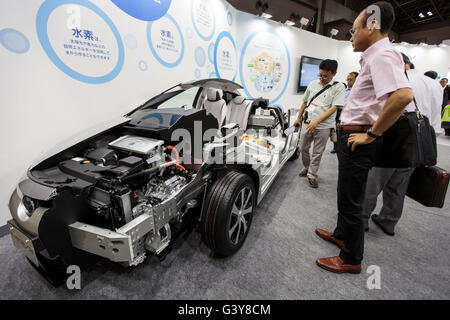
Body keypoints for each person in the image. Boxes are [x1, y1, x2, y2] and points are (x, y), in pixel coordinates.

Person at [314, 1, 414, 274]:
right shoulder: (375, 56)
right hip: (352, 135)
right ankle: (342, 234)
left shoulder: (383, 55)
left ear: (372, 25)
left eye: (354, 29)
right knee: (346, 195)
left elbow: (403, 96)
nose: (352, 35)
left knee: (353, 200)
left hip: (360, 137)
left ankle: (351, 258)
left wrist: (371, 134)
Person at [361, 53, 444, 236]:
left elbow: (384, 109)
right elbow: (435, 117)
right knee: (399, 185)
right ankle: (388, 221)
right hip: (421, 142)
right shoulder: (435, 84)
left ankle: (361, 220)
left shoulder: (398, 79)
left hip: (395, 138)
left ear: (402, 64)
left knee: (373, 183)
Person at [293, 59, 346, 188]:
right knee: (302, 148)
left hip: (324, 126)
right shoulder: (312, 84)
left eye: (325, 76)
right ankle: (307, 167)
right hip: (308, 122)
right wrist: (298, 118)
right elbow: (305, 102)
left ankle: (312, 174)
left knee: (317, 152)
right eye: (320, 75)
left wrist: (317, 121)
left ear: (333, 73)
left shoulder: (339, 87)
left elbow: (334, 108)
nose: (322, 78)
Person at [331, 72, 359, 153]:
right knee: (337, 132)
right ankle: (336, 147)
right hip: (340, 113)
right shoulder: (344, 90)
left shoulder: (357, 92)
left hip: (351, 117)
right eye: (347, 79)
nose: (348, 81)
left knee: (347, 137)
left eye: (350, 80)